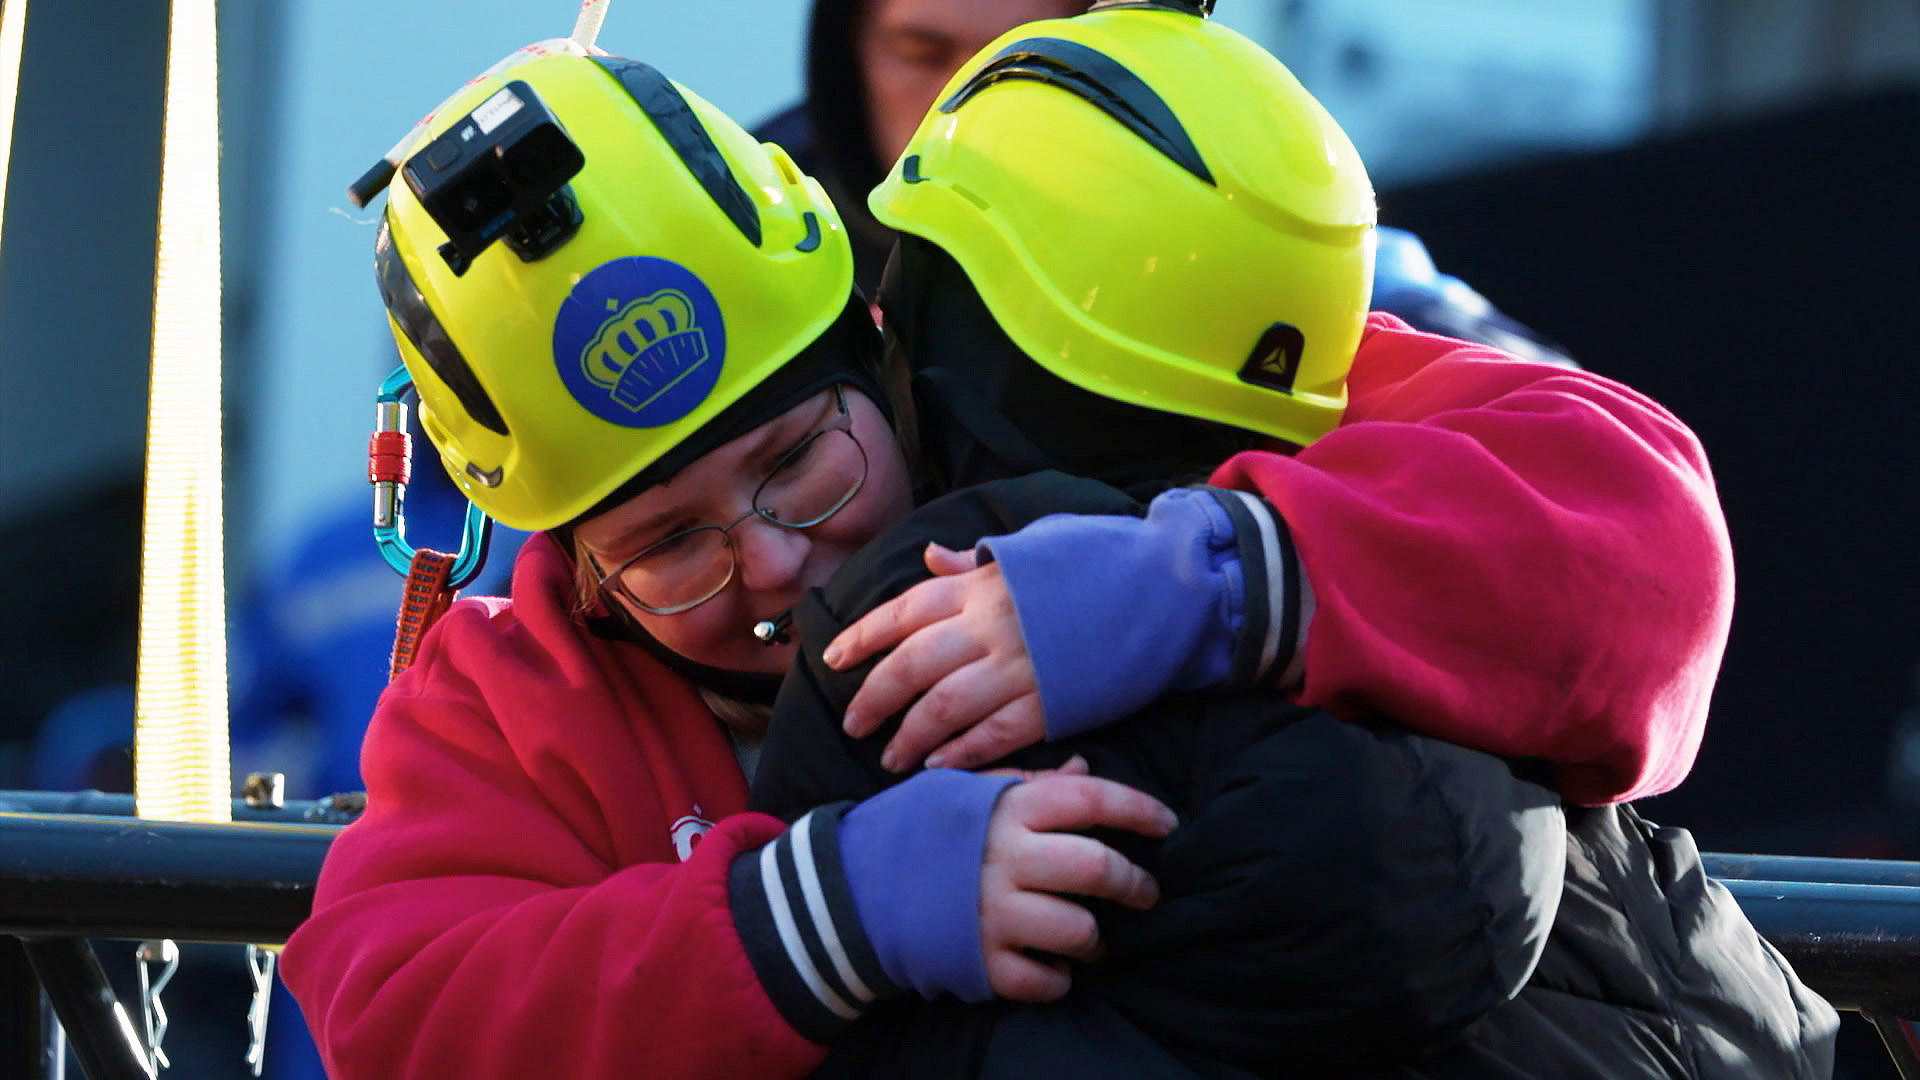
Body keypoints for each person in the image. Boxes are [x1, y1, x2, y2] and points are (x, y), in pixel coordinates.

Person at [748, 4, 1837, 1075]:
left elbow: (1639, 529)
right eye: (919, 51)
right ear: (845, 62)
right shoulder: (759, 308)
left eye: (1027, 44)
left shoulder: (1279, 290)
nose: (978, 87)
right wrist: (845, 905)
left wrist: (1211, 575)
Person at [280, 40, 1199, 1079]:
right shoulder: (507, 708)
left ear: (880, 356)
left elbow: (1422, 439)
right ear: (585, 573)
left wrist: (1214, 578)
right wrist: (814, 917)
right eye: (668, 544)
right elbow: (397, 1016)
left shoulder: (1079, 416)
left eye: (801, 458)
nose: (770, 559)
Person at [752, 0, 1579, 368]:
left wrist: (1236, 570)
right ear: (846, 55)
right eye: (923, 54)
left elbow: (1576, 450)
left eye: (1029, 61)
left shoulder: (1335, 274)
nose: (965, 106)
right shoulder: (733, 249)